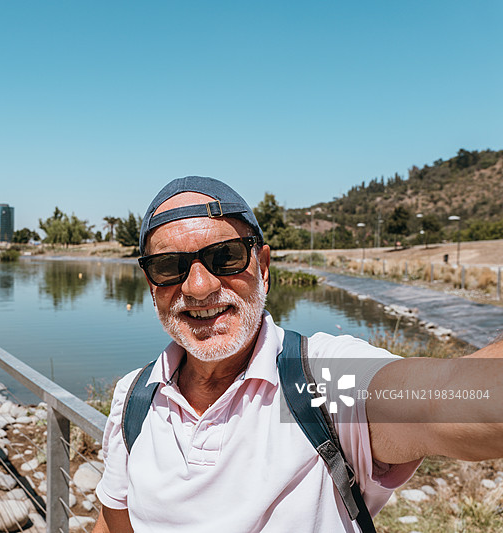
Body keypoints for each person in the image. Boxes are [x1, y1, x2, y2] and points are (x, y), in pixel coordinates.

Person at [92, 176, 503, 532]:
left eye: (226, 257)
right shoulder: (137, 397)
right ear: (150, 284)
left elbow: (449, 401)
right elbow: (113, 524)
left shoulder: (314, 384)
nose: (198, 287)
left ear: (264, 267)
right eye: (169, 267)